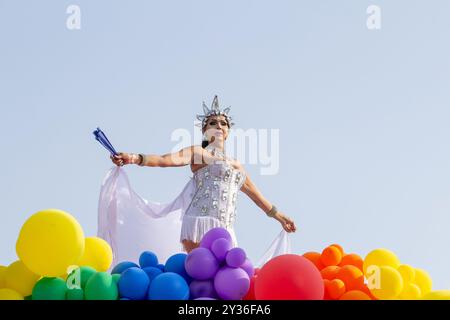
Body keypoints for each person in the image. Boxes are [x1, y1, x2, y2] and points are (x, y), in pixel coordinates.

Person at [110, 95, 296, 253]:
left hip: (226, 227)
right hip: (199, 223)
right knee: (202, 273)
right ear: (205, 130)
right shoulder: (198, 153)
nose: (219, 126)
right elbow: (164, 160)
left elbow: (258, 198)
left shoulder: (236, 165)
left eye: (223, 123)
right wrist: (133, 158)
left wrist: (281, 217)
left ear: (228, 132)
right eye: (212, 123)